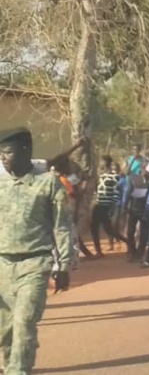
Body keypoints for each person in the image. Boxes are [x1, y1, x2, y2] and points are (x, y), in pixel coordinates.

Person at [0, 127, 73, 374]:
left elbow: (62, 227)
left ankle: (18, 370)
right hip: (2, 265)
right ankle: (12, 364)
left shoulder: (49, 184)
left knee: (23, 323)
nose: (2, 158)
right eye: (0, 153)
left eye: (7, 152)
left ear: (25, 151)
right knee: (6, 329)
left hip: (34, 263)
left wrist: (63, 265)